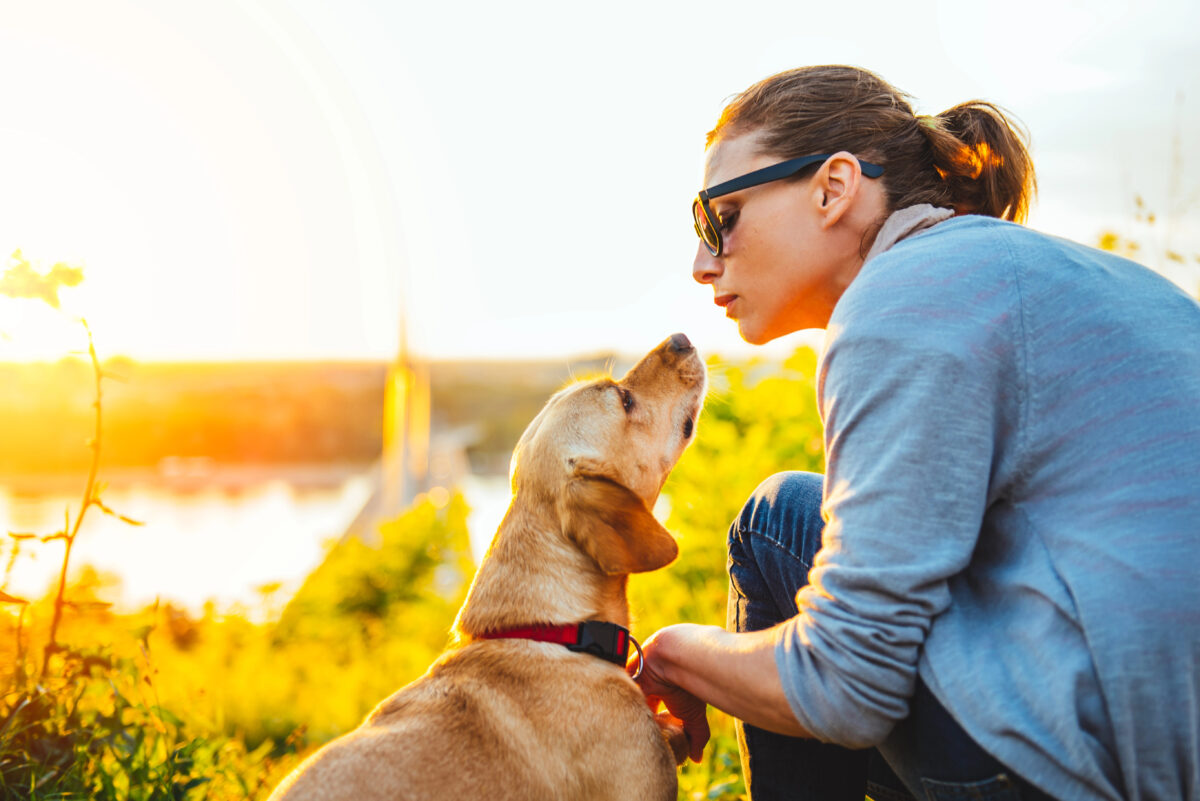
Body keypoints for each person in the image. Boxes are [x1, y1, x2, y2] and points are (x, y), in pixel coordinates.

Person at [633, 65, 1200, 801]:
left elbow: (845, 685)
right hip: (1153, 732)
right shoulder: (1088, 277)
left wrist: (674, 656)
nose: (702, 263)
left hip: (1102, 773)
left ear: (834, 188)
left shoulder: (898, 305)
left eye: (723, 216)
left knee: (776, 521)